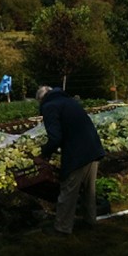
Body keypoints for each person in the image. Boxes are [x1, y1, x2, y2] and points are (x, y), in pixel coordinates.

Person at [36, 85, 105, 235]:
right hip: (93, 147)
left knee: (68, 190)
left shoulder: (49, 106)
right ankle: (89, 221)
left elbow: (55, 138)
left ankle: (62, 228)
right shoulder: (69, 101)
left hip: (77, 151)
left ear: (41, 100)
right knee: (89, 190)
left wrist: (44, 154)